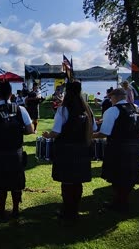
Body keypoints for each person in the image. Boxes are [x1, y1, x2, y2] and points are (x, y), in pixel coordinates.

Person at [42, 81, 97, 221]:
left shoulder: (63, 109)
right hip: (82, 149)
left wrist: (48, 135)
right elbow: (94, 129)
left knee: (67, 182)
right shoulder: (87, 109)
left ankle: (67, 212)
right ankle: (75, 210)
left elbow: (57, 131)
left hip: (66, 149)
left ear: (67, 91)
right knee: (77, 181)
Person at [0, 81, 34, 219]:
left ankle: (2, 209)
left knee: (0, 182)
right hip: (16, 152)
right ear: (11, 94)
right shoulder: (20, 109)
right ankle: (16, 209)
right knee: (16, 182)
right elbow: (30, 130)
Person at [93, 88, 139, 212]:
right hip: (135, 147)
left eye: (110, 97)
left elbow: (104, 133)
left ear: (115, 97)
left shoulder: (113, 110)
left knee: (118, 176)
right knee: (128, 176)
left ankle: (119, 203)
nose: (110, 100)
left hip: (118, 147)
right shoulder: (137, 109)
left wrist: (89, 135)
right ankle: (123, 200)